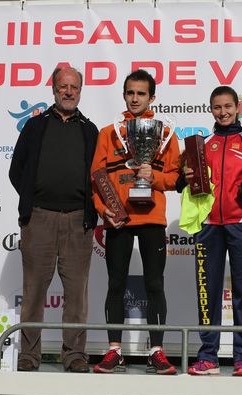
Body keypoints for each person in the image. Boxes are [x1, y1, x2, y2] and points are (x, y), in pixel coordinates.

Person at [9, 66, 98, 373]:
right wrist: (34, 205)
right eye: (63, 86)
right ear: (54, 89)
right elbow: (16, 171)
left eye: (74, 87)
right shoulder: (34, 127)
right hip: (39, 219)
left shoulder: (90, 130)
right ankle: (28, 357)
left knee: (76, 295)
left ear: (81, 91)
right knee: (34, 291)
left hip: (78, 222)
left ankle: (74, 356)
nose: (68, 91)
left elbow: (99, 178)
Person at [91, 70, 180, 375]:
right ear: (124, 95)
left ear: (152, 97)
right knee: (115, 284)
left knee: (155, 284)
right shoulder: (108, 133)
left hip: (152, 218)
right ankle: (114, 350)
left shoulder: (166, 133)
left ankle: (157, 351)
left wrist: (152, 177)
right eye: (130, 92)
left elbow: (175, 178)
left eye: (141, 93)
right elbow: (96, 178)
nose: (135, 98)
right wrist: (106, 211)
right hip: (119, 220)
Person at [177, 86, 242, 377]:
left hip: (241, 222)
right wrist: (184, 176)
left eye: (227, 106)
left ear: (238, 106)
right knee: (206, 293)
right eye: (216, 107)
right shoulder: (202, 144)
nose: (223, 112)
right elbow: (184, 181)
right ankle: (208, 357)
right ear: (210, 109)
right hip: (207, 225)